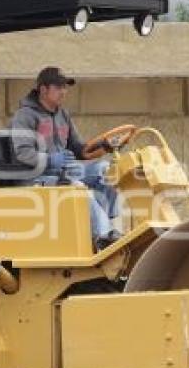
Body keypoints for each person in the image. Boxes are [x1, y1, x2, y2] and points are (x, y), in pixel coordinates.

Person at [9, 66, 122, 251]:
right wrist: (50, 160)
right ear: (43, 89)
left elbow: (79, 149)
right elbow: (22, 153)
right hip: (36, 178)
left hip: (64, 171)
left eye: (65, 87)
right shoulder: (25, 116)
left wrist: (104, 145)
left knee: (108, 170)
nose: (64, 91)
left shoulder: (63, 115)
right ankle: (103, 235)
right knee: (79, 190)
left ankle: (105, 231)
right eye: (59, 87)